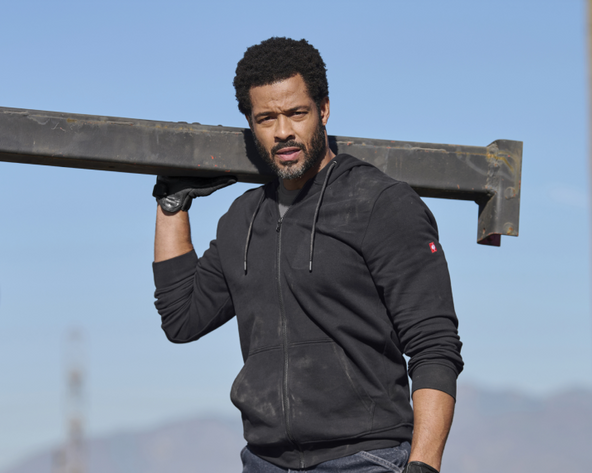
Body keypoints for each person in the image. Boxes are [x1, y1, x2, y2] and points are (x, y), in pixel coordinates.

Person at [152, 37, 462, 473]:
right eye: (267, 118)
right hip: (265, 461)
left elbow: (434, 346)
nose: (283, 131)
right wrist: (171, 203)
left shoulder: (380, 204)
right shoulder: (242, 219)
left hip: (366, 459)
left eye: (296, 113)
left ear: (323, 109)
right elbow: (181, 318)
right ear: (250, 122)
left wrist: (424, 465)